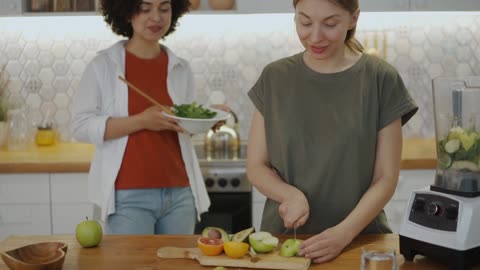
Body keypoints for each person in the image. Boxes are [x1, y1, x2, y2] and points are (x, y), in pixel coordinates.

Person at [246, 0, 418, 263]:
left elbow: (385, 178)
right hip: (285, 244)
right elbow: (256, 166)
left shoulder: (380, 78)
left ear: (353, 19)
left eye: (330, 24)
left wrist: (343, 234)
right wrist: (288, 194)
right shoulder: (275, 77)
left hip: (360, 243)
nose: (315, 36)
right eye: (304, 22)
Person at [72, 0, 211, 235]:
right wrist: (141, 121)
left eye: (164, 8)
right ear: (126, 13)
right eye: (145, 9)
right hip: (128, 195)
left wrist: (206, 119)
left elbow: (182, 126)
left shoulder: (181, 68)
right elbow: (81, 126)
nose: (156, 17)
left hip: (180, 193)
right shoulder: (104, 65)